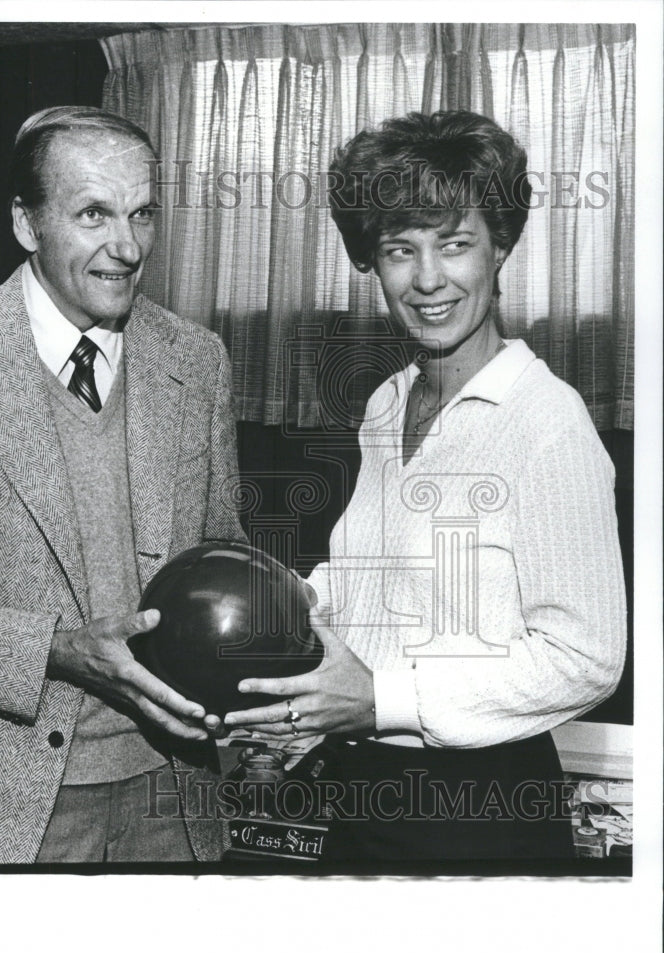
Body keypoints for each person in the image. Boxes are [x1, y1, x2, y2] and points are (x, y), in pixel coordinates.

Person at [224, 111, 627, 862]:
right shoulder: (387, 403)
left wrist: (382, 699)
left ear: (500, 246)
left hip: (485, 811)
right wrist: (294, 607)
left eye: (455, 243)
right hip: (363, 793)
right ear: (371, 263)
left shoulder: (548, 421)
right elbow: (371, 582)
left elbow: (586, 658)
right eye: (399, 249)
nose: (428, 278)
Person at [0, 106, 245, 865]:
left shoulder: (198, 360)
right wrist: (57, 650)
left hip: (172, 800)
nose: (126, 247)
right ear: (27, 223)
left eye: (142, 214)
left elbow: (224, 557)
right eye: (93, 214)